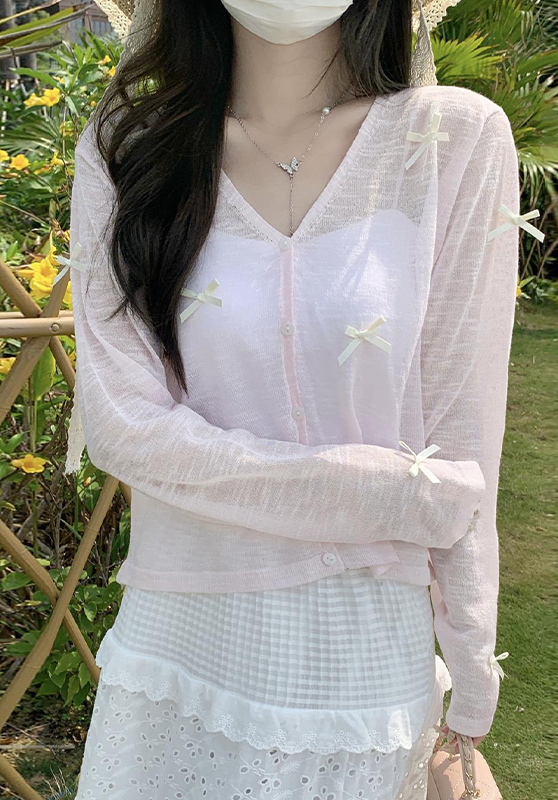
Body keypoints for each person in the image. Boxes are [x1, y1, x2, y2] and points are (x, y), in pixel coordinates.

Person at [67, 0, 523, 796]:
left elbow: (463, 429)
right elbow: (122, 428)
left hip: (366, 665)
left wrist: (472, 677)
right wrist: (396, 493)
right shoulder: (130, 148)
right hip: (181, 651)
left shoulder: (452, 139)